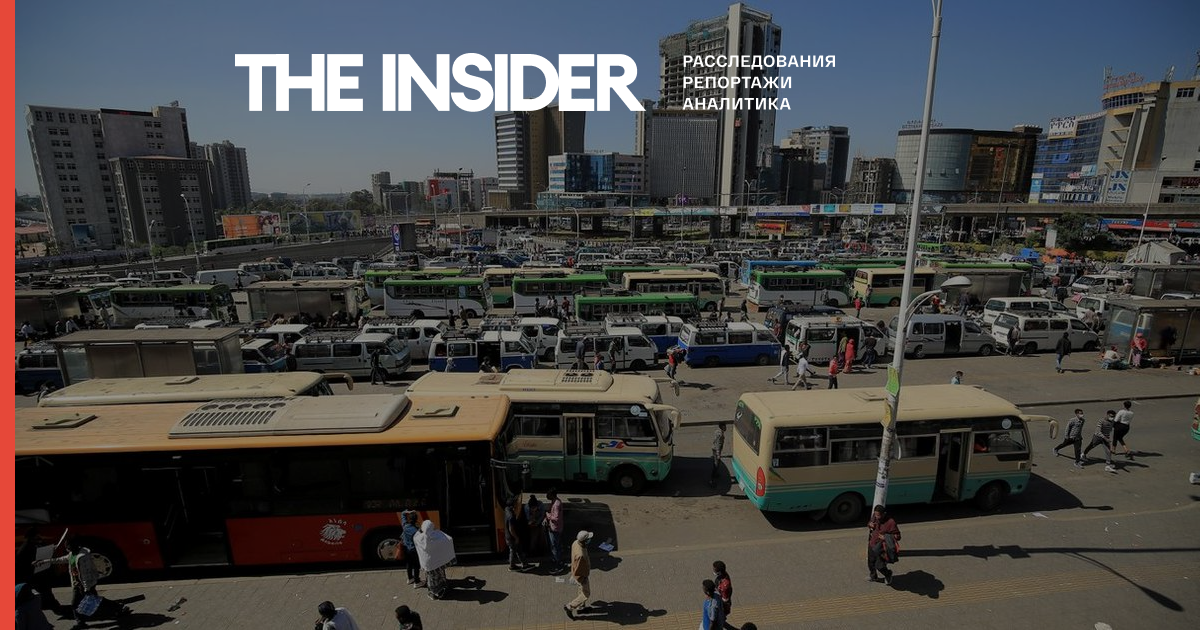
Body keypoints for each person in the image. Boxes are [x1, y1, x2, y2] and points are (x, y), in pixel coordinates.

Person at [34, 538, 131, 627]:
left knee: (86, 602)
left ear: (71, 547)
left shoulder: (82, 558)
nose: (66, 549)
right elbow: (60, 560)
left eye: (67, 547)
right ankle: (117, 608)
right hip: (78, 584)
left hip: (84, 585)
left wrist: (86, 588)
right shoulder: (72, 554)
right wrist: (44, 561)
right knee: (89, 602)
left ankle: (82, 621)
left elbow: (86, 575)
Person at [414, 520, 456, 599]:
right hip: (439, 562)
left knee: (432, 579)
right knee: (440, 575)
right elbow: (449, 539)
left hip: (428, 564)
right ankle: (442, 589)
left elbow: (416, 536)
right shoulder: (438, 535)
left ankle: (434, 593)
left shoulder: (418, 538)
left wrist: (420, 530)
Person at [866, 505, 901, 585]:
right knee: (870, 563)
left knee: (880, 566)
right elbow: (869, 523)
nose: (876, 517)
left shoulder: (891, 522)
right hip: (872, 544)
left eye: (878, 515)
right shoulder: (874, 517)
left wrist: (885, 537)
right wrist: (870, 525)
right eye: (875, 515)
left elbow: (898, 536)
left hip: (881, 548)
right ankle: (873, 576)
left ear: (884, 514)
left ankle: (888, 574)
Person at [563, 530, 594, 620]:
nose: (590, 540)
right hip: (581, 576)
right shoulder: (581, 555)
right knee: (586, 593)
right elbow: (580, 568)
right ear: (584, 541)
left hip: (576, 572)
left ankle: (581, 607)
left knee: (581, 590)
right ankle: (570, 606)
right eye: (588, 539)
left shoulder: (575, 543)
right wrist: (583, 577)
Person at [505, 495, 530, 571]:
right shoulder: (511, 516)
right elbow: (511, 529)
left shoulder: (506, 510)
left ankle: (523, 564)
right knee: (514, 551)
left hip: (508, 536)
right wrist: (516, 538)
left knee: (517, 550)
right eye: (515, 504)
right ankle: (512, 566)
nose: (517, 505)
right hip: (512, 537)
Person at [545, 488, 565, 571]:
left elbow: (556, 518)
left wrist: (548, 515)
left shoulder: (556, 504)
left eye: (548, 495)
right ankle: (556, 559)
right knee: (557, 545)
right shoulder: (556, 501)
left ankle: (557, 562)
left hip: (555, 528)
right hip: (557, 527)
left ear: (552, 495)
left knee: (554, 546)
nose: (547, 496)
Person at [401, 510, 421, 586]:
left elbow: (403, 514)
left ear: (409, 519)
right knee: (416, 565)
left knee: (409, 564)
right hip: (413, 550)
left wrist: (409, 512)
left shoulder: (405, 525)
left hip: (406, 548)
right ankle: (417, 582)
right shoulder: (416, 531)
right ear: (416, 520)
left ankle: (410, 578)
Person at [710, 422, 727, 487]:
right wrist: (718, 454)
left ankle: (715, 474)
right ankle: (711, 479)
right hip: (716, 450)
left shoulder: (718, 431)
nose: (726, 428)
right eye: (724, 427)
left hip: (714, 448)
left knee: (717, 463)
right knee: (716, 464)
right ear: (722, 427)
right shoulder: (720, 434)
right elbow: (718, 444)